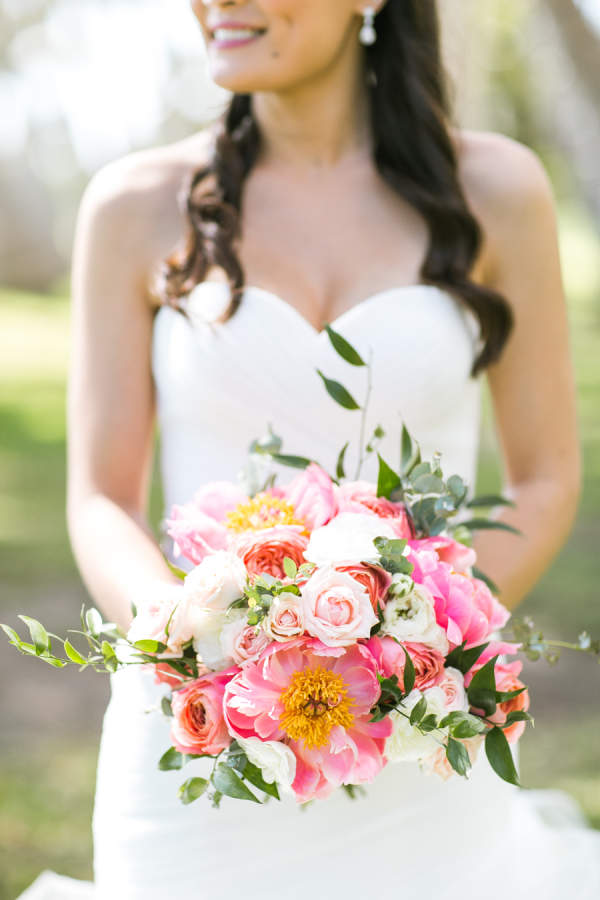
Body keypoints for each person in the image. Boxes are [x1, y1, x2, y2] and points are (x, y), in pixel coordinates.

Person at [19, 1, 600, 898]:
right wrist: (188, 639)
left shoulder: (497, 188)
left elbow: (548, 475)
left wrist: (415, 641)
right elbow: (99, 495)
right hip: (198, 733)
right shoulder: (134, 205)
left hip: (421, 739)